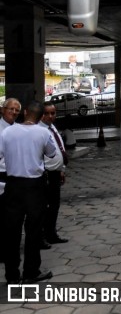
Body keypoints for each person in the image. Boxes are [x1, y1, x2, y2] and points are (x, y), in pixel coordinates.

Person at [0, 100, 57, 284]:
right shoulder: (43, 132)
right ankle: (31, 271)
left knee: (11, 231)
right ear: (41, 117)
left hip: (13, 185)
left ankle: (11, 275)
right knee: (33, 231)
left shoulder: (7, 131)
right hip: (35, 187)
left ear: (24, 112)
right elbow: (51, 153)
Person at [39, 101, 69, 246]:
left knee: (55, 205)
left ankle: (52, 234)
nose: (50, 116)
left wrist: (61, 169)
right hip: (46, 174)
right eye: (47, 113)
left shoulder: (52, 128)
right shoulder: (39, 130)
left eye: (53, 113)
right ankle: (42, 236)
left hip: (56, 173)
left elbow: (59, 148)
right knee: (45, 206)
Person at [0, 98, 22, 264]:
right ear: (3, 109)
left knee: (12, 220)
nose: (14, 112)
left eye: (17, 110)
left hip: (16, 179)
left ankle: (9, 252)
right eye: (11, 109)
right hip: (2, 178)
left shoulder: (18, 129)